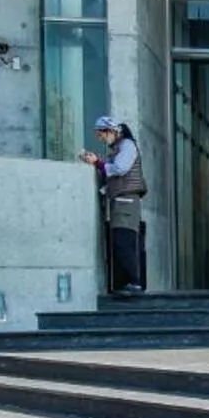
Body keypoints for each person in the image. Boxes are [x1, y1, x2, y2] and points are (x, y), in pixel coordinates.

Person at [82, 115, 146, 295]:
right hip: (120, 200)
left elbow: (120, 168)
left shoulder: (127, 146)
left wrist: (98, 163)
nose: (101, 139)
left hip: (126, 201)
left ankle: (134, 282)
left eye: (101, 135)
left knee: (124, 240)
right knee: (120, 241)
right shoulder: (119, 147)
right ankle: (129, 283)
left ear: (110, 131)